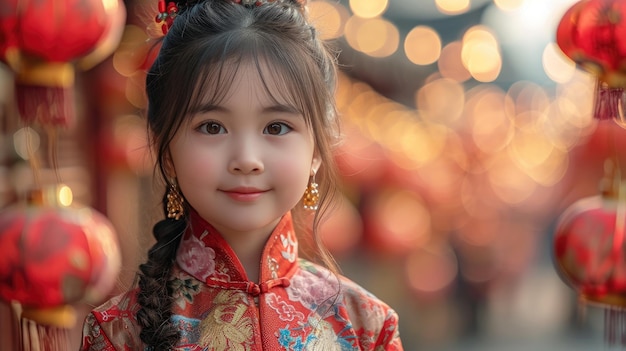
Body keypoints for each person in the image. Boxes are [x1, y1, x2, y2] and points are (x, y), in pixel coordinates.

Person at [79, 0, 403, 349]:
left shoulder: (366, 326)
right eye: (213, 127)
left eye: (276, 127)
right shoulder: (118, 333)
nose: (247, 159)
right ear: (166, 150)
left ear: (317, 151)